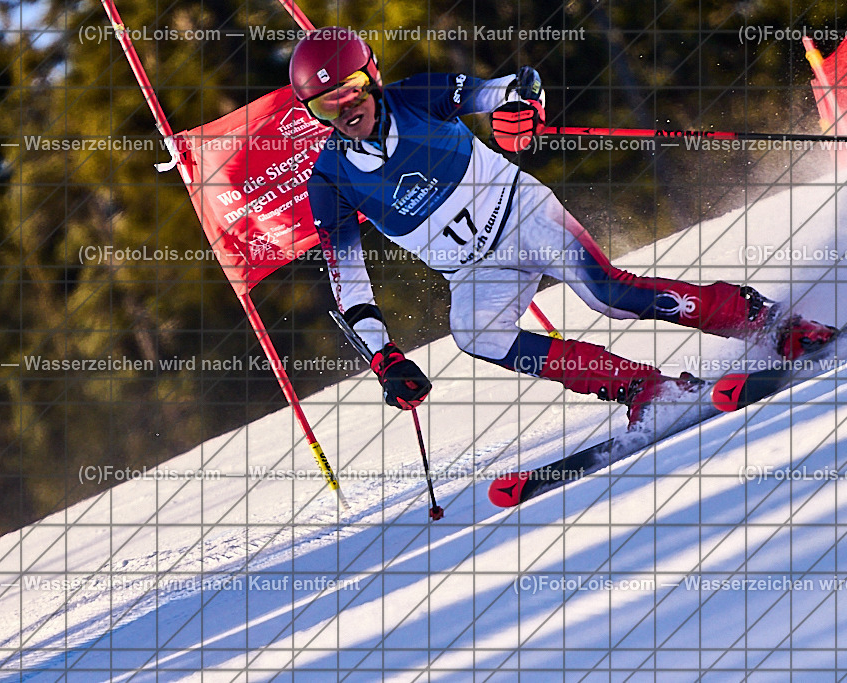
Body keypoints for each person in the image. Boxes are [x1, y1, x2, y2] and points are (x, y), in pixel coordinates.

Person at [290, 27, 836, 427]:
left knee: (608, 294)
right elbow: (350, 285)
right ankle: (642, 387)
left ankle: (767, 323)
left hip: (522, 214)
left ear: (374, 75)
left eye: (352, 88)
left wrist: (521, 107)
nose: (344, 108)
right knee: (477, 333)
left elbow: (509, 87)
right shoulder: (330, 182)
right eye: (323, 102)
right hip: (474, 269)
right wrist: (385, 359)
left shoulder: (417, 96)